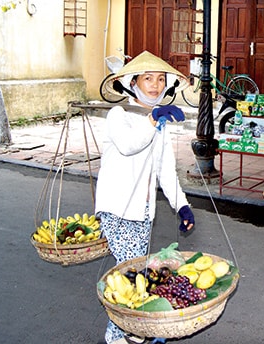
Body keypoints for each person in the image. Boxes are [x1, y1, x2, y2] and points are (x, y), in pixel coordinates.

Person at [95, 51, 195, 344]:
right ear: (133, 82)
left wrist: (183, 206)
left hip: (143, 211)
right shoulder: (119, 116)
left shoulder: (157, 122)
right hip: (117, 209)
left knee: (135, 274)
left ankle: (131, 332)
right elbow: (128, 146)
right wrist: (153, 119)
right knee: (133, 277)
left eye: (160, 79)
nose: (154, 84)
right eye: (147, 78)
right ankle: (121, 335)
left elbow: (165, 171)